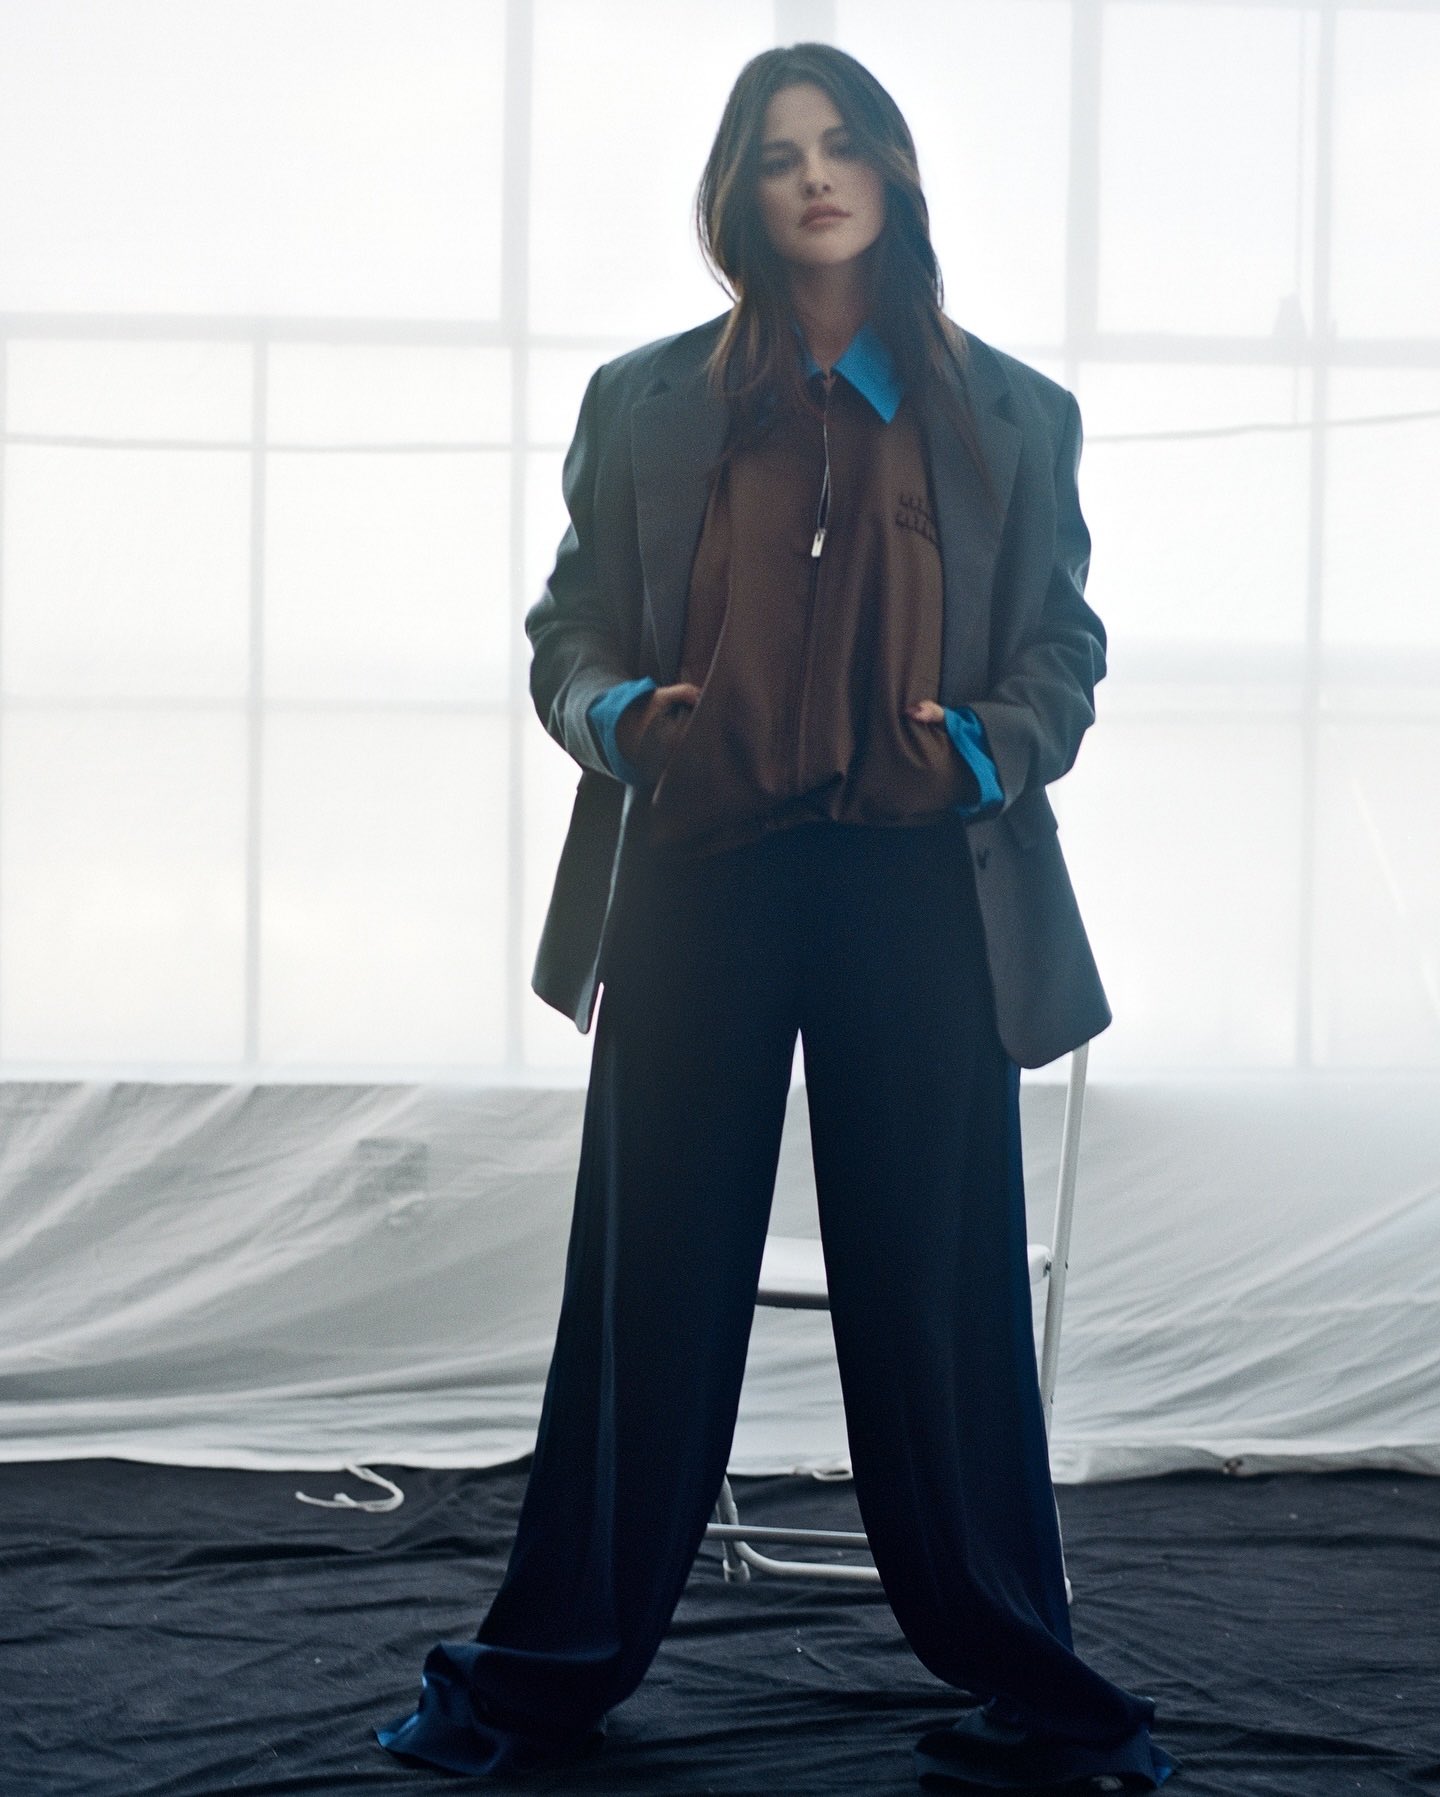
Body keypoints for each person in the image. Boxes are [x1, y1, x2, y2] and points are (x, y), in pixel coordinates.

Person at [378, 41, 1176, 1793]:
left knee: (940, 1297)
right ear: (737, 192)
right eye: (776, 153)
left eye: (841, 145)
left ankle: (1029, 1677)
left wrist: (983, 747)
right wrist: (622, 718)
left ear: (892, 170)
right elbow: (568, 632)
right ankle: (547, 1670)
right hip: (697, 880)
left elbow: (1066, 651)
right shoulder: (645, 400)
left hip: (923, 886)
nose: (813, 177)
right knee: (647, 1290)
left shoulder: (1012, 410)